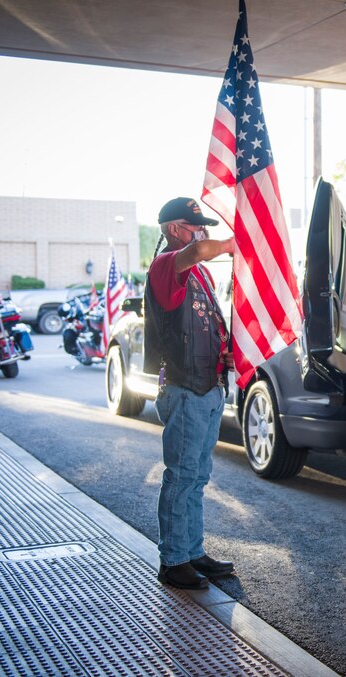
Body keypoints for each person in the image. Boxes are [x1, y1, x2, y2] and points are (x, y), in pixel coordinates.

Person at [146, 197, 236, 590]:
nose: (202, 233)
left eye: (203, 227)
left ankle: (191, 550)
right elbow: (200, 250)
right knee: (181, 476)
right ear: (173, 230)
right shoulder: (168, 263)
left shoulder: (200, 275)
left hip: (207, 384)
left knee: (197, 476)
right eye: (194, 226)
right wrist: (235, 243)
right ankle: (173, 560)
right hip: (185, 386)